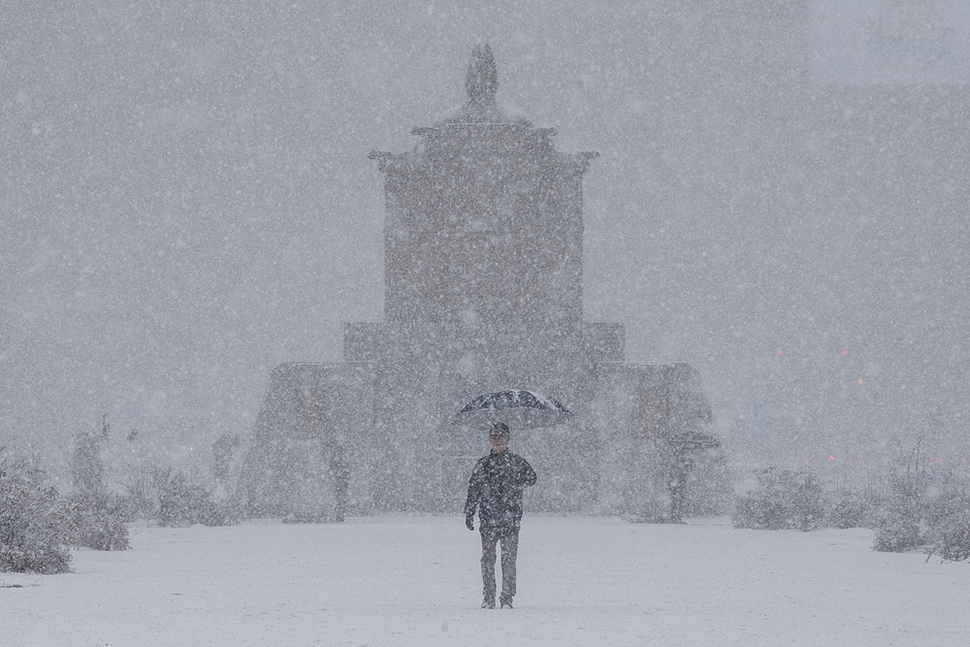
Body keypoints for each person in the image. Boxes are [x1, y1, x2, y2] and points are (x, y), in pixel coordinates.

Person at [464, 422, 537, 609]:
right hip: (488, 519)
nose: (498, 439)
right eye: (494, 436)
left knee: (509, 560)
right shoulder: (483, 464)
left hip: (511, 519)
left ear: (508, 439)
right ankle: (488, 597)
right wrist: (469, 512)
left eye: (502, 436)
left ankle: (507, 598)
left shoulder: (516, 462)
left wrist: (515, 479)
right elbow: (473, 489)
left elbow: (532, 478)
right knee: (488, 559)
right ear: (489, 439)